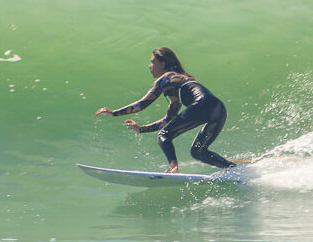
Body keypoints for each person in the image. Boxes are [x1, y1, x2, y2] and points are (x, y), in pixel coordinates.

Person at [95, 47, 235, 173]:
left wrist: (114, 113)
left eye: (152, 62)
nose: (149, 66)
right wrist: (141, 129)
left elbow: (143, 104)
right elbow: (168, 120)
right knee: (198, 152)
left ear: (162, 63)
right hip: (219, 109)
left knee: (165, 135)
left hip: (202, 104)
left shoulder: (166, 78)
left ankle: (173, 168)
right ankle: (231, 168)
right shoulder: (179, 82)